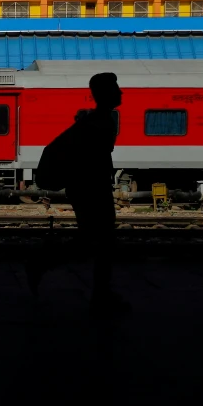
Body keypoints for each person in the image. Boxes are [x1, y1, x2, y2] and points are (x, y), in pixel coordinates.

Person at [65, 72, 131, 316]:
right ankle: (101, 295)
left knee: (92, 241)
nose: (120, 92)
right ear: (105, 93)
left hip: (88, 187)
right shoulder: (101, 122)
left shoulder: (92, 120)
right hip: (93, 188)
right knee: (101, 242)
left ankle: (101, 294)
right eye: (116, 88)